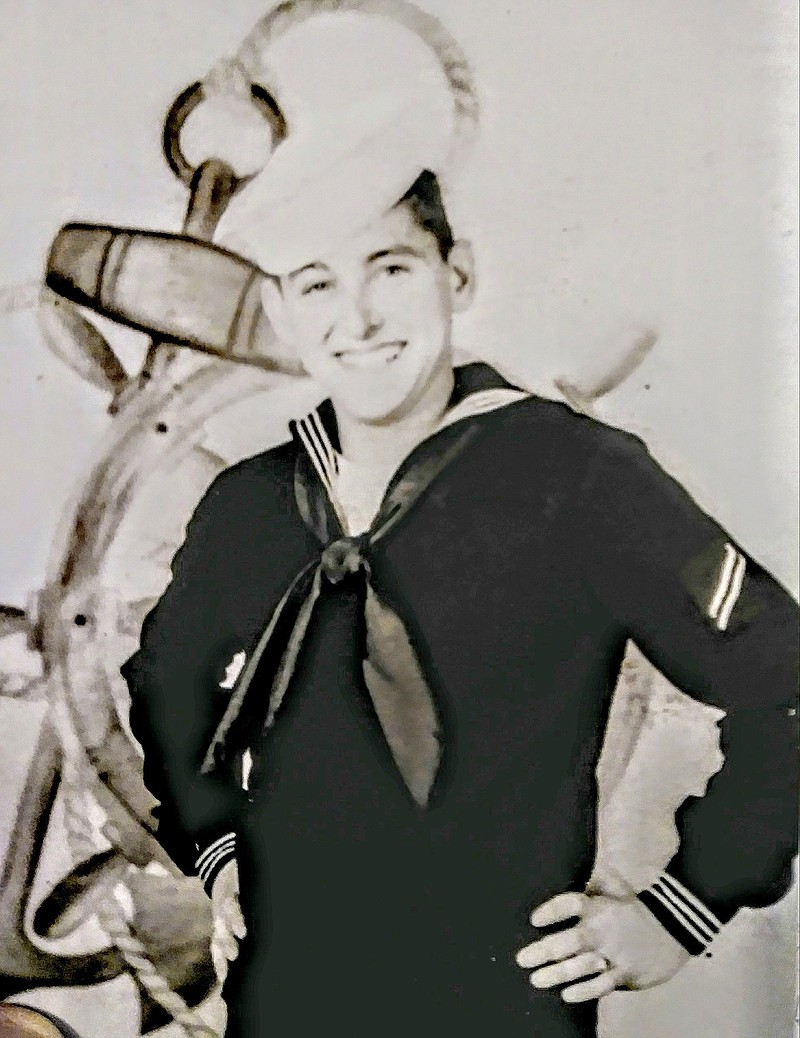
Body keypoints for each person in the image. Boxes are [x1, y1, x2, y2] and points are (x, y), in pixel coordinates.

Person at [121, 165, 799, 1038]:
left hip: (499, 1008)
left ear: (459, 274)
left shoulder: (581, 478)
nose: (356, 317)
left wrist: (682, 910)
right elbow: (165, 681)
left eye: (391, 267)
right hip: (288, 1002)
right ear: (285, 313)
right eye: (317, 283)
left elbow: (783, 677)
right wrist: (214, 849)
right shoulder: (250, 504)